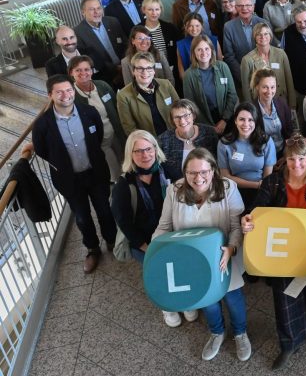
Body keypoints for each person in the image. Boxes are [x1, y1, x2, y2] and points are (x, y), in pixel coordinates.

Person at [241, 134, 306, 369]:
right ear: (285, 159)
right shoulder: (272, 182)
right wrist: (248, 218)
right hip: (279, 252)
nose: (297, 165)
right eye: (292, 159)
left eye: (301, 159)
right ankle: (288, 343)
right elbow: (257, 209)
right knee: (284, 298)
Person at [153, 147, 251, 361]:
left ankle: (240, 333)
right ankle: (216, 332)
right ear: (184, 172)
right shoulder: (174, 190)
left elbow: (236, 227)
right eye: (192, 173)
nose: (198, 178)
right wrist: (155, 253)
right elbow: (164, 226)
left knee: (233, 298)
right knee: (207, 300)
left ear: (213, 170)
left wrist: (232, 248)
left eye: (204, 172)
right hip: (192, 259)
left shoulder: (228, 188)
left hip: (224, 256)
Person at [33, 75, 117, 274]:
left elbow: (96, 138)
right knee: (82, 217)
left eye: (69, 90)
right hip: (69, 180)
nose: (66, 95)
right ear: (50, 95)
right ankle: (92, 249)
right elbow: (42, 150)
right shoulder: (43, 124)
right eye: (59, 92)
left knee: (104, 209)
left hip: (95, 173)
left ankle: (113, 241)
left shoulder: (89, 112)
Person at [111, 130, 168, 263]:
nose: (145, 155)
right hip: (144, 242)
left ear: (155, 149)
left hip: (171, 233)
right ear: (130, 154)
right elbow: (125, 224)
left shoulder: (167, 172)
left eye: (149, 149)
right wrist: (148, 249)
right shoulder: (123, 186)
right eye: (139, 151)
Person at [69, 55, 125, 182]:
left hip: (116, 134)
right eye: (78, 70)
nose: (83, 73)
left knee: (126, 165)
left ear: (92, 71)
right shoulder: (71, 95)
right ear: (71, 72)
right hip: (99, 142)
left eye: (87, 69)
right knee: (114, 171)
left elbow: (117, 108)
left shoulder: (102, 86)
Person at [217, 102, 276, 205]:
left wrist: (260, 187)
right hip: (233, 190)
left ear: (256, 121)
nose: (246, 124)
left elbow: (267, 177)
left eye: (250, 120)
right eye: (241, 119)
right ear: (235, 121)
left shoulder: (266, 141)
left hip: (262, 191)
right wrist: (256, 185)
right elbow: (225, 176)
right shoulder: (224, 143)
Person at [182, 35, 237, 133]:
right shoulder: (188, 75)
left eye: (207, 48)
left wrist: (224, 120)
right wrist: (209, 127)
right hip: (204, 124)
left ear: (212, 50)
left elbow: (232, 95)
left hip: (228, 119)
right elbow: (191, 105)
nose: (204, 53)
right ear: (193, 53)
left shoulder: (222, 67)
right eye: (199, 50)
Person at [117, 52, 179, 136]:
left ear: (154, 71)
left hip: (175, 134)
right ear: (133, 71)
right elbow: (130, 128)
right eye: (140, 68)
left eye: (149, 68)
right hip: (149, 142)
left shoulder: (166, 84)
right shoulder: (123, 96)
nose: (145, 72)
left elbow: (179, 110)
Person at [157, 99, 218, 183]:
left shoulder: (209, 133)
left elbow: (217, 164)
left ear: (193, 115)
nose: (182, 121)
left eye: (186, 115)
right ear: (172, 120)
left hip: (209, 183)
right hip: (179, 187)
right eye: (177, 117)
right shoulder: (164, 139)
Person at [74, 0, 125, 87]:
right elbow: (90, 60)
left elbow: (125, 44)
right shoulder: (78, 33)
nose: (96, 12)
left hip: (126, 68)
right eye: (91, 9)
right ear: (83, 12)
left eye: (98, 8)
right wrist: (116, 69)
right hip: (105, 77)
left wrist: (125, 65)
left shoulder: (113, 21)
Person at [239, 22, 296, 104]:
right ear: (254, 37)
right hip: (259, 105)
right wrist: (251, 110)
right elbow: (246, 89)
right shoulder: (247, 60)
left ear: (270, 36)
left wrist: (292, 105)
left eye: (266, 34)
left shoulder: (281, 54)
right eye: (259, 34)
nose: (263, 37)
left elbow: (289, 80)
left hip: (282, 102)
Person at [222, 0, 267, 84]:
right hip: (241, 76)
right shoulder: (228, 27)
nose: (244, 8)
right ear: (236, 8)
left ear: (253, 7)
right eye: (240, 6)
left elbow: (270, 50)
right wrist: (244, 76)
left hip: (264, 74)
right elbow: (229, 56)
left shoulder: (263, 23)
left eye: (248, 5)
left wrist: (264, 74)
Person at [251, 68, 295, 156]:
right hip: (262, 155)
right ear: (257, 86)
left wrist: (286, 155)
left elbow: (289, 131)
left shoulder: (282, 103)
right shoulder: (251, 109)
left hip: (284, 152)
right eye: (265, 87)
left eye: (272, 87)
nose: (269, 91)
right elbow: (252, 140)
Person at [177, 12, 223, 80]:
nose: (194, 29)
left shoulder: (213, 40)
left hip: (214, 79)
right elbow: (181, 72)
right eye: (190, 26)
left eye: (197, 25)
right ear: (185, 27)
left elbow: (220, 63)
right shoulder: (181, 45)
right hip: (192, 81)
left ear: (202, 25)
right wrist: (188, 84)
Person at [141, 0, 182, 67]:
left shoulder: (170, 28)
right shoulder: (138, 30)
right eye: (150, 9)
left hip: (170, 69)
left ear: (161, 10)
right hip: (147, 71)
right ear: (144, 10)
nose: (154, 13)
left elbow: (179, 50)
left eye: (157, 9)